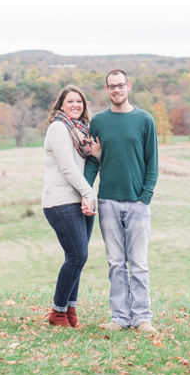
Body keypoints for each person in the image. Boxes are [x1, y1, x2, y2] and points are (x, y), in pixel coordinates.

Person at [83, 68, 159, 335]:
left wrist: (144, 197)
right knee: (116, 263)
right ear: (106, 90)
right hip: (108, 203)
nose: (116, 90)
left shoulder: (144, 120)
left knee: (138, 263)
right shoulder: (99, 122)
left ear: (128, 86)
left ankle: (142, 318)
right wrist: (86, 191)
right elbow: (93, 161)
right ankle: (119, 318)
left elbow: (153, 162)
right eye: (111, 86)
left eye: (120, 85)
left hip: (137, 203)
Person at [41, 84, 101, 328]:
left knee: (78, 257)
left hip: (79, 200)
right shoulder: (58, 128)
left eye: (80, 101)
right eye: (70, 101)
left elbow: (86, 165)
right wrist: (89, 194)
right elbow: (67, 168)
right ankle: (57, 312)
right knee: (77, 256)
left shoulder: (82, 130)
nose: (76, 105)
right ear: (61, 105)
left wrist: (95, 154)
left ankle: (70, 311)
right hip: (60, 201)